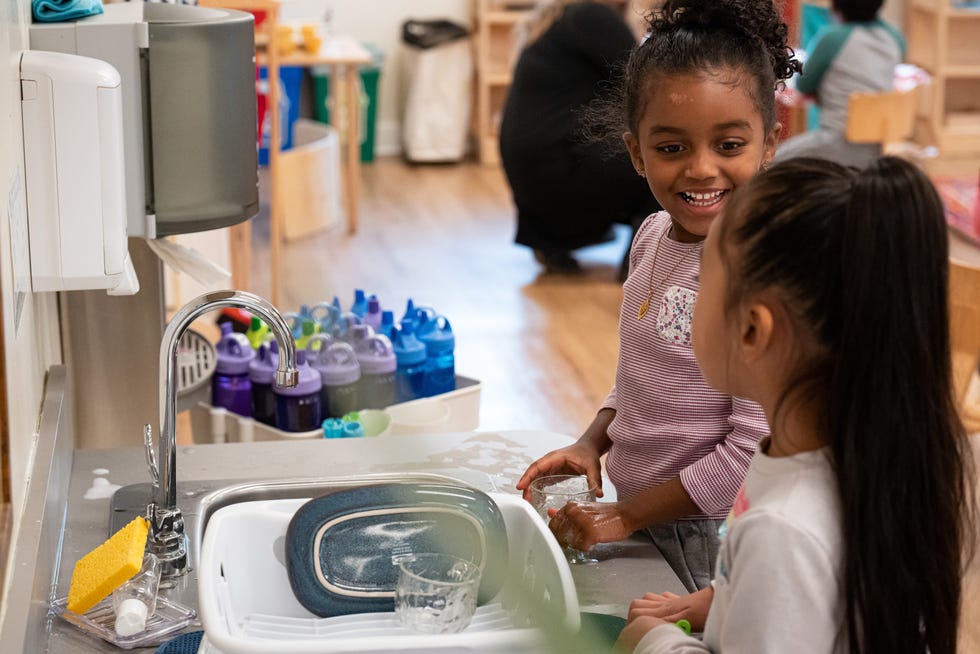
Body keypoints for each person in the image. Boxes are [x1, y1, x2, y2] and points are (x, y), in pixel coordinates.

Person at [616, 156, 978, 654]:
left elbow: (793, 557)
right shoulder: (861, 453)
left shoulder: (782, 532)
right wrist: (726, 599)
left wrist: (656, 644)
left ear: (751, 330)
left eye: (703, 287)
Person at [516, 0, 800, 592]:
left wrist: (628, 516)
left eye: (729, 146)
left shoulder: (759, 272)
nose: (701, 169)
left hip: (708, 533)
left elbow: (748, 450)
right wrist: (592, 440)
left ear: (770, 143)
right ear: (637, 152)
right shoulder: (649, 237)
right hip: (640, 513)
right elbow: (642, 374)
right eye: (672, 148)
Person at [498, 0, 661, 277]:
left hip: (536, 185)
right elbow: (649, 79)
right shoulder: (591, 15)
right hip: (559, 177)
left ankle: (556, 245)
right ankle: (643, 265)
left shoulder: (561, 18)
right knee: (669, 157)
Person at [774, 0, 905, 168]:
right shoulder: (895, 38)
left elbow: (803, 85)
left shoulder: (833, 38)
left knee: (769, 163)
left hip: (837, 141)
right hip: (877, 145)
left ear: (835, 6)